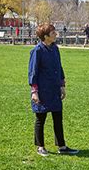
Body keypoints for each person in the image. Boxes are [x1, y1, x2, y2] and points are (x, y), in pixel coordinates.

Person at [28, 23, 79, 157]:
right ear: (45, 37)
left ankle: (62, 146)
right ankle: (40, 147)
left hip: (54, 89)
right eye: (53, 33)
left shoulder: (55, 48)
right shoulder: (37, 51)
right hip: (42, 91)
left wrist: (62, 85)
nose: (56, 34)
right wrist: (34, 91)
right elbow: (33, 72)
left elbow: (59, 67)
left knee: (58, 118)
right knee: (41, 119)